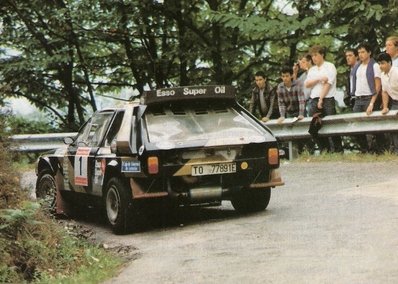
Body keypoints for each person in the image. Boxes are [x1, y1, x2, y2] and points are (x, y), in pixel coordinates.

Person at [304, 45, 343, 153]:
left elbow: (328, 84)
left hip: (327, 99)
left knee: (332, 125)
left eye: (316, 55)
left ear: (322, 55)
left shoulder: (329, 66)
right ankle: (325, 149)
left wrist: (321, 99)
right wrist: (318, 79)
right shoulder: (312, 70)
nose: (314, 58)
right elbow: (307, 84)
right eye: (312, 56)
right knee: (314, 127)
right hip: (313, 99)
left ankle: (338, 150)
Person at [351, 42, 383, 153]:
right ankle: (365, 150)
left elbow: (378, 86)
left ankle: (380, 150)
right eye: (359, 52)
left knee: (374, 126)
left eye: (363, 52)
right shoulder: (357, 67)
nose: (360, 54)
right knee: (357, 127)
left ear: (369, 52)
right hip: (358, 99)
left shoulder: (374, 66)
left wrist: (372, 103)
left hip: (369, 98)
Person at [377, 52, 398, 153]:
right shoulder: (382, 75)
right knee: (393, 126)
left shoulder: (396, 72)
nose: (381, 66)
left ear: (389, 62)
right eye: (379, 64)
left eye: (383, 63)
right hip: (394, 102)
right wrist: (385, 107)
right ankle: (395, 151)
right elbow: (384, 92)